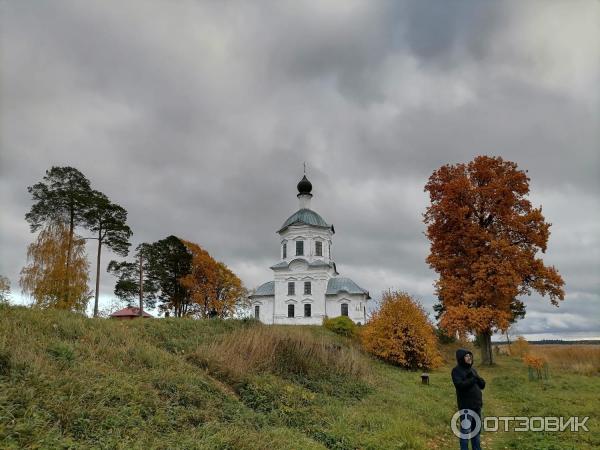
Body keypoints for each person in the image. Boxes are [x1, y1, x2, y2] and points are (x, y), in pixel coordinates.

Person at [452, 348, 486, 450]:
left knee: (476, 430)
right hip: (466, 407)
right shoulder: (456, 371)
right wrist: (472, 379)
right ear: (461, 358)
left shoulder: (473, 370)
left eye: (470, 356)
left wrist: (478, 379)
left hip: (477, 405)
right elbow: (460, 386)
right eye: (466, 356)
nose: (469, 357)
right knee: (466, 432)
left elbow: (482, 386)